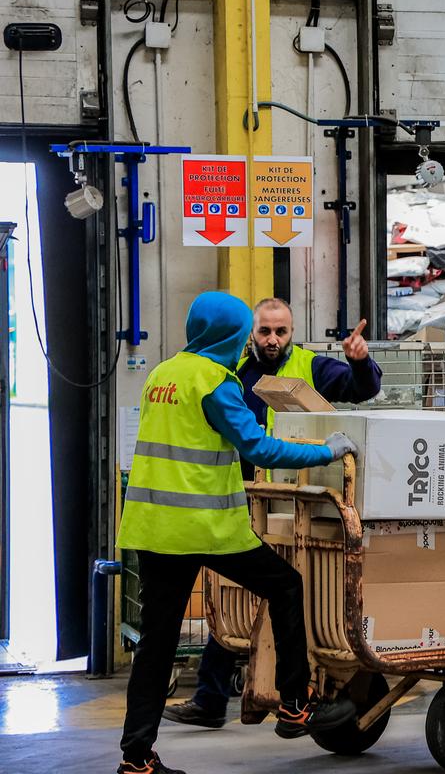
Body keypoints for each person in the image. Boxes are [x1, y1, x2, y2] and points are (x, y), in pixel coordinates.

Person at [116, 292, 360, 774]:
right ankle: (295, 704)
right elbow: (259, 447)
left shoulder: (161, 374)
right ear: (230, 335)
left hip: (152, 527)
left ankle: (137, 759)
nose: (250, 341)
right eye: (247, 332)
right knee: (285, 585)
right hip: (204, 527)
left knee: (156, 645)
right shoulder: (215, 382)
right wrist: (325, 451)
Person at [163, 297, 382, 730]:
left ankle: (277, 694)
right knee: (237, 599)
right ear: (251, 333)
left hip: (301, 502)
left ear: (292, 330)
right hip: (248, 501)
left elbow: (361, 389)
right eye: (264, 331)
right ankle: (216, 698)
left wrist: (360, 363)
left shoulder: (311, 367)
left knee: (284, 592)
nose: (272, 340)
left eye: (280, 331)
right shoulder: (233, 375)